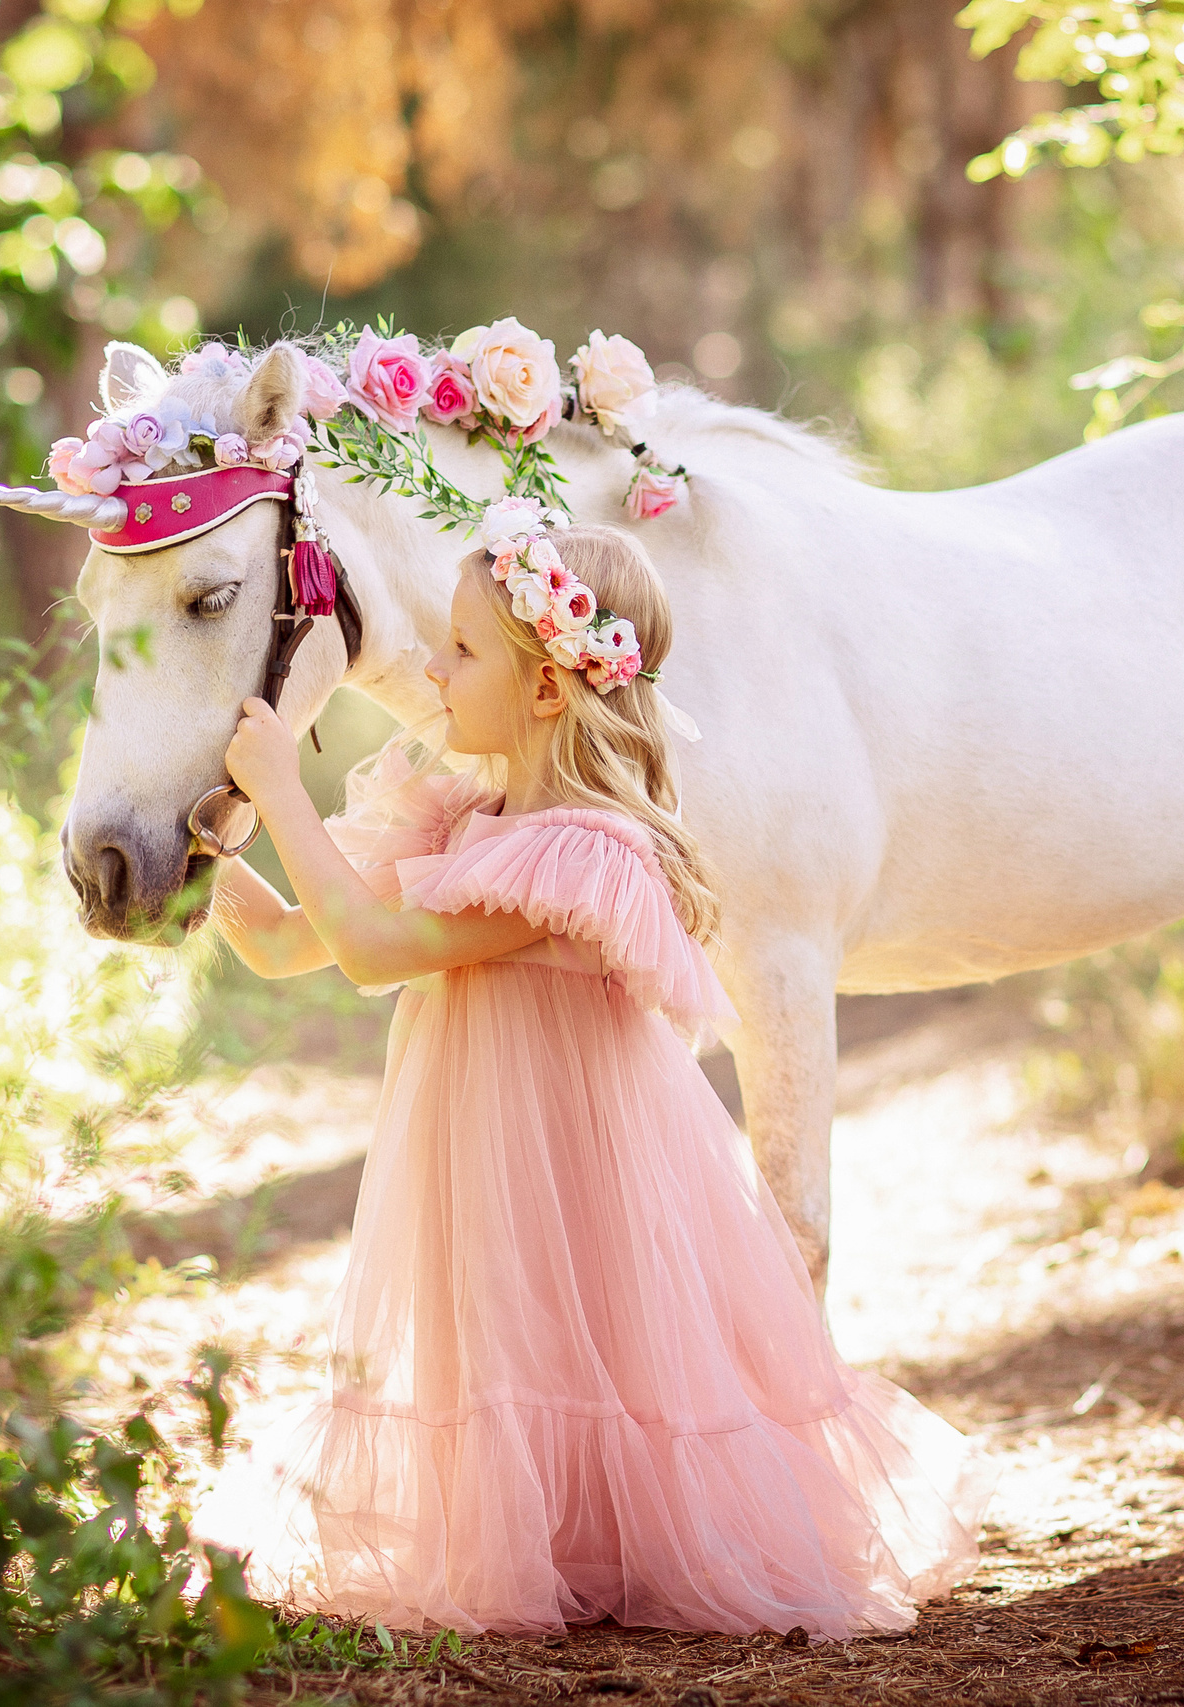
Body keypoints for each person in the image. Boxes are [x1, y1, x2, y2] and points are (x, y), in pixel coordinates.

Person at [193, 506, 986, 1637]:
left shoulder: (582, 851)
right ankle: (550, 1535)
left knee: (593, 1335)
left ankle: (630, 1542)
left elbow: (372, 949)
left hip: (576, 1166)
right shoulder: (460, 817)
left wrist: (282, 789)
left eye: (463, 651)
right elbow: (285, 943)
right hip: (482, 1158)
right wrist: (203, 848)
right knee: (508, 1334)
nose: (431, 668)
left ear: (550, 690)